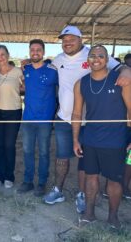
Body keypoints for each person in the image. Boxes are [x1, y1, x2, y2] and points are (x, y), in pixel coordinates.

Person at [42, 25, 128, 213]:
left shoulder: (93, 55)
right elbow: (47, 69)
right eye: (64, 40)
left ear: (81, 40)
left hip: (90, 121)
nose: (67, 42)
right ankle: (58, 190)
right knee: (62, 157)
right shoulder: (59, 59)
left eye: (71, 39)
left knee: (85, 162)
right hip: (65, 118)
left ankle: (82, 195)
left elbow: (120, 68)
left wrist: (127, 71)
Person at [72, 45, 131, 229]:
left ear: (107, 60)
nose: (96, 59)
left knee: (114, 180)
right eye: (92, 56)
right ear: (87, 60)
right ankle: (89, 214)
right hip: (90, 139)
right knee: (91, 177)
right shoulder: (81, 83)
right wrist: (75, 139)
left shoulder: (121, 80)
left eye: (100, 56)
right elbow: (76, 113)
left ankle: (113, 217)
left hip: (116, 139)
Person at [18, 40, 58, 196]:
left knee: (43, 152)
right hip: (27, 118)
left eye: (38, 50)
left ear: (43, 52)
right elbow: (22, 87)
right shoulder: (25, 69)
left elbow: (62, 89)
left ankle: (41, 183)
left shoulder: (52, 70)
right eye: (32, 49)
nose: (35, 52)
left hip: (45, 120)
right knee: (27, 151)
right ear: (29, 51)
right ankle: (28, 181)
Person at [0, 45, 23, 189]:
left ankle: (9, 176)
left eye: (3, 54)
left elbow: (26, 88)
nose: (0, 58)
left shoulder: (18, 72)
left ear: (8, 55)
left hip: (13, 111)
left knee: (9, 145)